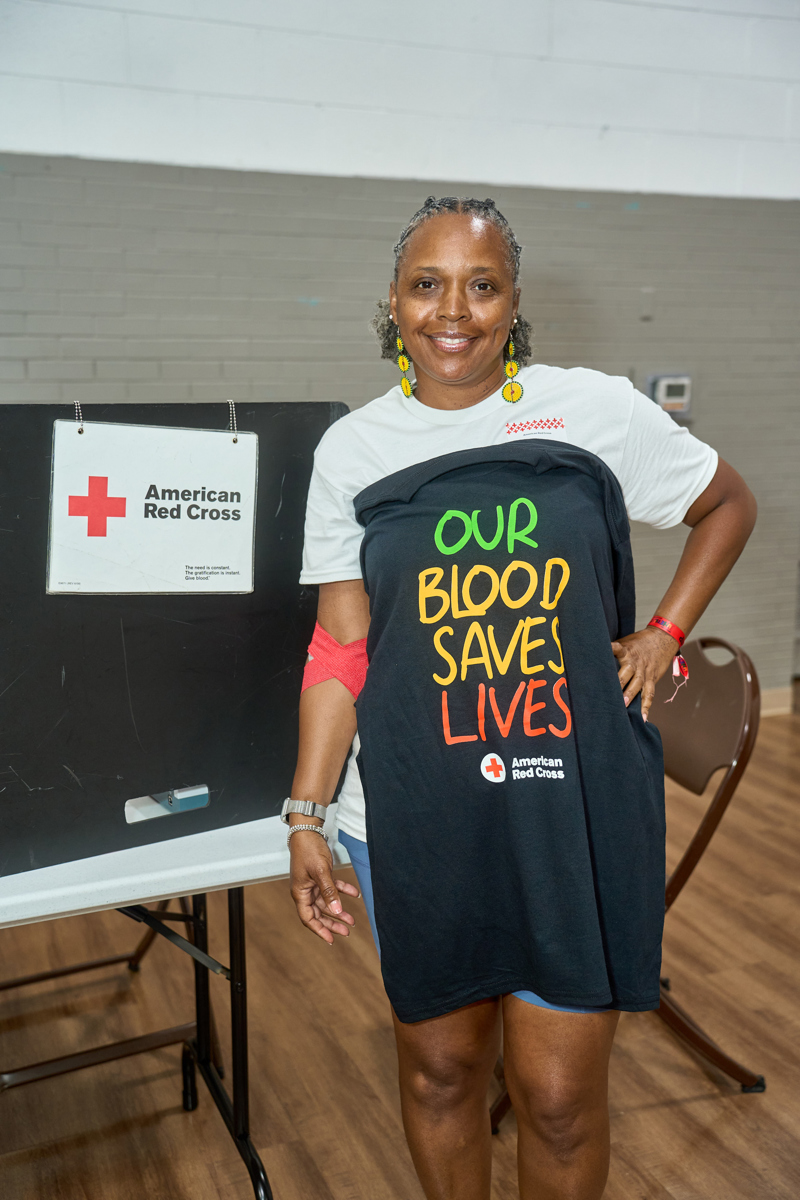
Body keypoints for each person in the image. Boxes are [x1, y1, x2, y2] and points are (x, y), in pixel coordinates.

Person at [286, 197, 756, 1200]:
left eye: (481, 284)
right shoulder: (353, 451)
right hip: (412, 814)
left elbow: (726, 502)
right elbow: (340, 647)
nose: (453, 310)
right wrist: (305, 813)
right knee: (442, 1073)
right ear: (393, 301)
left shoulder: (590, 411)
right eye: (427, 284)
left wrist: (664, 631)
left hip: (566, 806)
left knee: (556, 1097)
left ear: (512, 301)